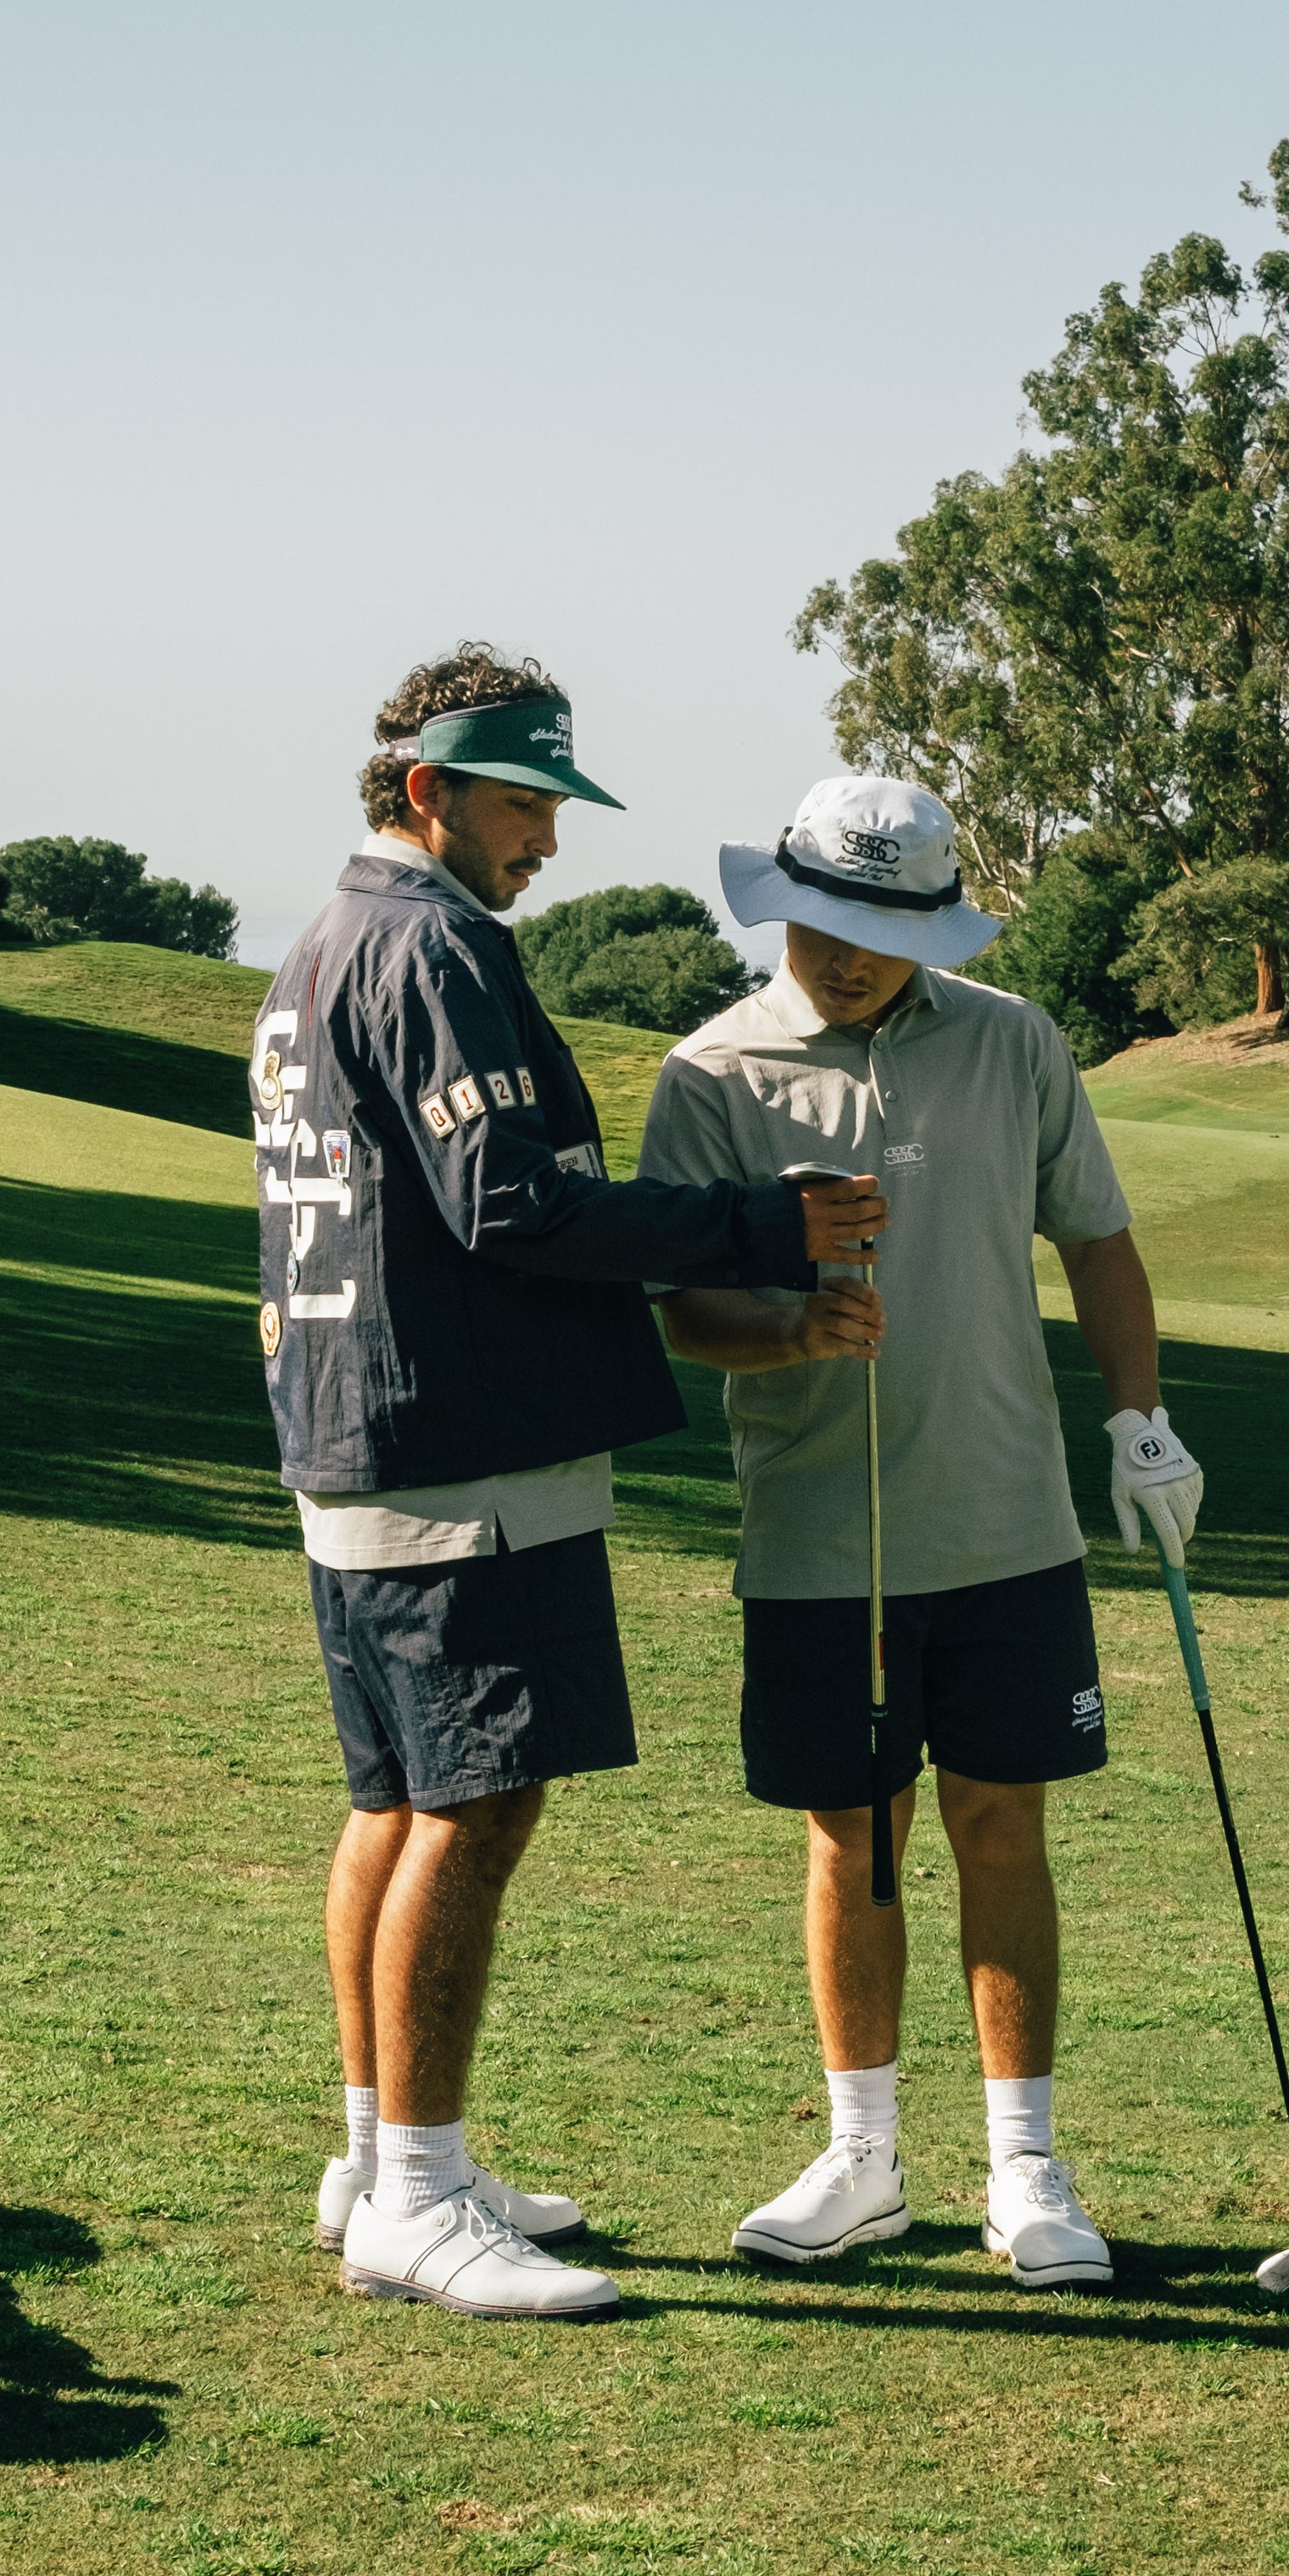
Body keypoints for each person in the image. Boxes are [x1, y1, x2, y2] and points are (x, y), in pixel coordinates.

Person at [254, 650, 889, 2321]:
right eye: (524, 803)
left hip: (355, 1433)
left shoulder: (325, 940)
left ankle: (389, 2156)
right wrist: (765, 1225)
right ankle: (413, 2197)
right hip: (461, 1445)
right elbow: (513, 1206)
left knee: (395, 1801)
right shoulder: (435, 944)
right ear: (426, 793)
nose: (545, 840)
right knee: (473, 1807)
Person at [642, 774, 1207, 2290]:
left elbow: (1096, 1235)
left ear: (930, 928)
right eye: (827, 923)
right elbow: (686, 1309)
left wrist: (1139, 1422)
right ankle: (865, 2159)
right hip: (824, 1534)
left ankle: (1025, 2170)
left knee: (1002, 1824)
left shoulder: (1013, 1038)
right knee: (856, 1836)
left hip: (1010, 1518)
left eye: (885, 930)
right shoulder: (713, 1074)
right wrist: (790, 1336)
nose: (850, 957)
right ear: (788, 908)